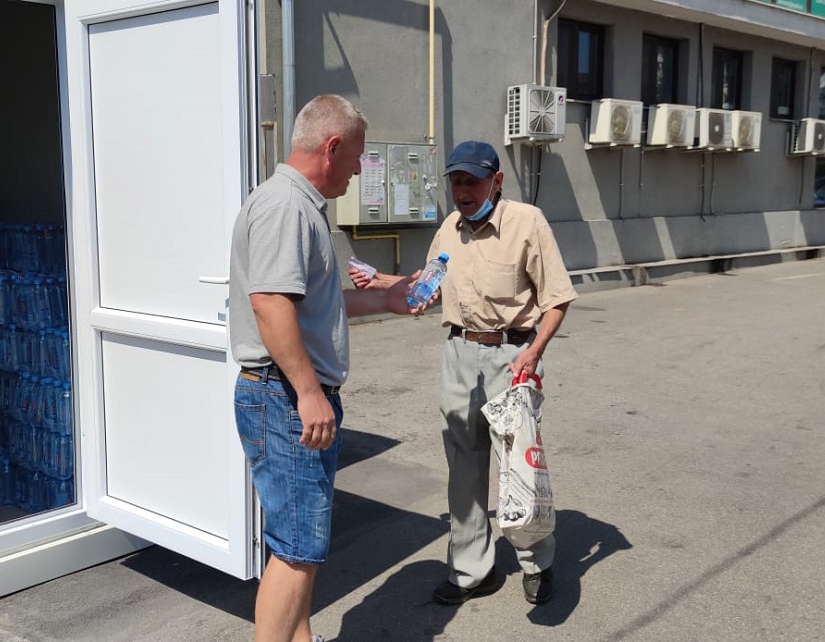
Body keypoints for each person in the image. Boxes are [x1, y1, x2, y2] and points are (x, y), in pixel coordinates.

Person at [350, 140, 577, 606]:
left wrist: (534, 352)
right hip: (458, 354)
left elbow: (557, 298)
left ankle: (537, 561)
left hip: (512, 355)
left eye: (472, 181)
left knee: (519, 465)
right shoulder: (450, 228)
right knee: (463, 467)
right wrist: (382, 281)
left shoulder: (527, 222)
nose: (463, 191)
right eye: (456, 182)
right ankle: (473, 571)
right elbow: (429, 280)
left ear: (497, 181)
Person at [229, 94, 417, 642]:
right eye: (357, 157)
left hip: (286, 395)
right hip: (285, 397)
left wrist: (387, 299)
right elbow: (271, 304)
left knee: (298, 546)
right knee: (296, 551)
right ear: (332, 147)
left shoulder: (300, 207)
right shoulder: (286, 207)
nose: (358, 170)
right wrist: (309, 393)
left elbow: (313, 305)